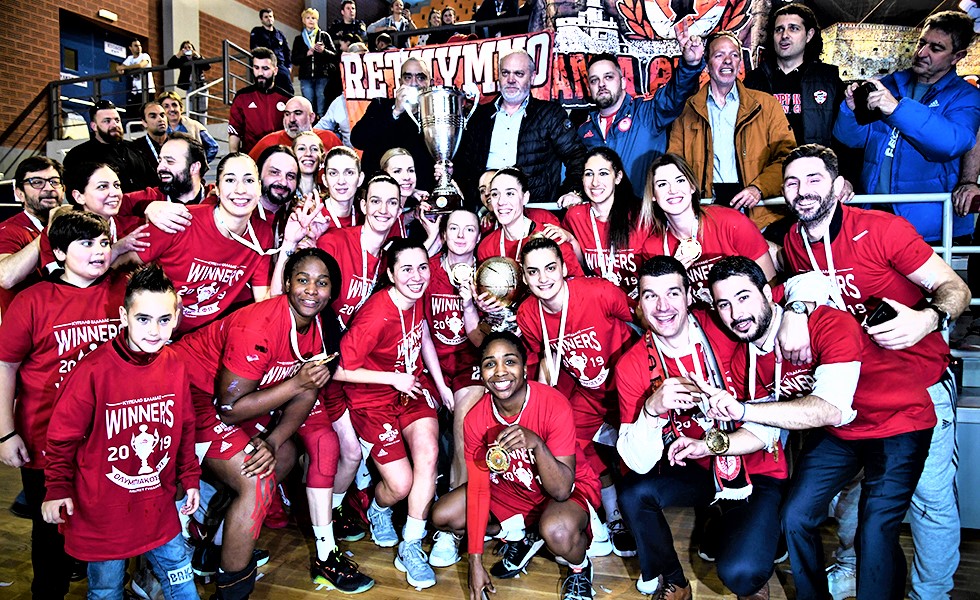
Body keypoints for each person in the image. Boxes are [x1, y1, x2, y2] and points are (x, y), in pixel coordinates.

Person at [779, 143, 970, 600]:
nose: (802, 190)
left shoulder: (883, 230)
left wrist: (927, 318)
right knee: (850, 497)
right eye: (792, 182)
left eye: (813, 179)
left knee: (929, 501)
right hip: (852, 394)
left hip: (919, 385)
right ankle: (852, 569)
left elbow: (955, 287)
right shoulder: (794, 241)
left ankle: (931, 594)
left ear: (837, 185)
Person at [705, 255, 939, 600]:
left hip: (898, 421)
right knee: (795, 516)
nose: (736, 313)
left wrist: (744, 409)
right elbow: (763, 427)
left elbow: (831, 409)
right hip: (842, 435)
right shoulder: (746, 360)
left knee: (874, 528)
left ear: (768, 294)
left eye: (743, 297)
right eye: (724, 304)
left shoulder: (828, 323)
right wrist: (711, 444)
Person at [615, 256, 784, 600]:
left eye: (673, 293)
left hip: (756, 466)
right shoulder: (631, 363)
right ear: (639, 304)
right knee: (634, 492)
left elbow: (778, 296)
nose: (663, 307)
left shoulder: (727, 324)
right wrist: (652, 409)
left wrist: (797, 309)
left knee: (742, 574)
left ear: (690, 295)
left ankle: (750, 537)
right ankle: (674, 580)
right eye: (650, 296)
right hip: (700, 468)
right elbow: (637, 462)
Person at [40, 263, 200, 599]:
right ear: (124, 317)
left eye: (164, 319)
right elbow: (61, 438)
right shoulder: (93, 371)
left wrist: (190, 477)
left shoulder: (175, 363)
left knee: (182, 581)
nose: (154, 330)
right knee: (106, 590)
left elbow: (185, 425)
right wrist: (56, 487)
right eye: (143, 319)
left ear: (176, 317)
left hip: (157, 505)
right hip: (103, 512)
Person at [0, 211, 128, 599]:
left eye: (104, 243)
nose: (99, 251)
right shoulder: (33, 299)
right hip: (46, 437)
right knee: (50, 533)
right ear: (58, 251)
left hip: (109, 438)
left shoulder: (125, 290)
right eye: (85, 243)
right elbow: (5, 366)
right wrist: (5, 432)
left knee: (107, 526)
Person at [429, 331, 602, 600]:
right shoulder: (475, 419)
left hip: (563, 490)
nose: (500, 372)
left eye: (510, 361)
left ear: (524, 368)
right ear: (481, 372)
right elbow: (478, 490)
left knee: (557, 531)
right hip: (512, 490)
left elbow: (561, 490)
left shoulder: (553, 403)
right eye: (490, 364)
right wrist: (475, 562)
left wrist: (537, 445)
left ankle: (579, 569)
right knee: (443, 515)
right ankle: (519, 535)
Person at [333, 239, 453, 589]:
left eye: (422, 267)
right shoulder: (376, 315)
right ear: (390, 274)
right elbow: (337, 369)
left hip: (410, 390)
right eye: (407, 269)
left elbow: (423, 333)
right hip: (373, 399)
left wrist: (441, 385)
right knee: (400, 485)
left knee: (429, 453)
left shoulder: (417, 297)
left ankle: (411, 544)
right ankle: (379, 508)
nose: (417, 277)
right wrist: (391, 378)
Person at [516, 236, 637, 559]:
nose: (543, 278)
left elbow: (641, 321)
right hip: (588, 392)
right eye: (533, 272)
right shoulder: (528, 313)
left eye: (550, 268)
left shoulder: (598, 291)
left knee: (632, 453)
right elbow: (544, 360)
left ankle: (635, 517)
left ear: (564, 268)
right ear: (524, 276)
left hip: (627, 389)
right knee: (567, 444)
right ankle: (610, 513)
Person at [833, 10, 980, 246]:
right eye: (922, 43)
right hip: (874, 215)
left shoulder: (966, 96)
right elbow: (852, 139)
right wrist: (850, 111)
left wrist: (897, 109)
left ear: (957, 56)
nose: (922, 53)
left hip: (928, 227)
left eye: (936, 48)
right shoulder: (891, 83)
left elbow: (950, 145)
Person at [667, 31, 796, 233]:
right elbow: (675, 164)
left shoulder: (767, 105)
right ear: (707, 64)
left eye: (734, 55)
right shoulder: (686, 110)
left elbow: (787, 158)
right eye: (719, 55)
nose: (728, 61)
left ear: (740, 63)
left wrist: (759, 188)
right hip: (705, 214)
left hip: (759, 216)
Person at [131, 153, 273, 334]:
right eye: (230, 180)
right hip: (155, 333)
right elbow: (119, 264)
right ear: (217, 189)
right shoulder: (180, 219)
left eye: (249, 180)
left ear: (259, 188)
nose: (240, 189)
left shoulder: (262, 234)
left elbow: (264, 301)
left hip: (203, 338)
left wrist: (290, 243)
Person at [640, 153, 776, 304]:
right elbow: (658, 308)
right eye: (662, 184)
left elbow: (771, 285)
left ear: (692, 186)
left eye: (680, 180)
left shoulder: (732, 222)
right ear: (653, 195)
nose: (673, 190)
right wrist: (672, 276)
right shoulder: (653, 248)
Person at [456, 50, 587, 207]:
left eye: (519, 74)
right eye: (505, 73)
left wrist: (573, 191)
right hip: (486, 211)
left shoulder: (550, 114)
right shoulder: (480, 116)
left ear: (532, 77)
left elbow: (577, 156)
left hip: (534, 209)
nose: (511, 80)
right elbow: (464, 165)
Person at [578, 36, 704, 198]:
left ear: (623, 82)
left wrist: (690, 65)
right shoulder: (585, 131)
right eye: (594, 80)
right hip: (602, 211)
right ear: (589, 88)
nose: (601, 84)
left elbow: (675, 94)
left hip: (645, 210)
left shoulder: (648, 112)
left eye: (608, 77)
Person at [421, 209, 487, 504]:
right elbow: (421, 329)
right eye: (454, 229)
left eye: (469, 229)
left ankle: (456, 502)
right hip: (431, 363)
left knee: (464, 423)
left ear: (479, 235)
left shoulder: (489, 275)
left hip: (469, 364)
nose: (461, 236)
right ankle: (422, 498)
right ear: (443, 235)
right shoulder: (427, 271)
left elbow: (486, 340)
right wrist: (440, 386)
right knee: (421, 426)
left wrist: (471, 304)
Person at [744, 3, 841, 148]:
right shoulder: (754, 81)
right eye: (779, 29)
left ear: (809, 35)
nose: (784, 35)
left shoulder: (828, 80)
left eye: (793, 28)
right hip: (766, 162)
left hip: (811, 161)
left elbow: (845, 135)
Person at [562, 147, 648, 299]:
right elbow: (579, 265)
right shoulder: (575, 216)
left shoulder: (641, 215)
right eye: (589, 174)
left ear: (618, 177)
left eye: (603, 173)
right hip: (597, 303)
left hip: (639, 304)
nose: (595, 182)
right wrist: (570, 239)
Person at [35, 163, 148, 272]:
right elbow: (62, 279)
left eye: (117, 185)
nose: (115, 193)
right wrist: (117, 249)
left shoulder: (137, 227)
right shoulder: (57, 232)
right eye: (102, 186)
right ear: (79, 196)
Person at [476, 168, 584, 277]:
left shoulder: (550, 236)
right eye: (495, 194)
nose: (501, 202)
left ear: (525, 197)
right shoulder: (486, 247)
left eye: (510, 193)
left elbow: (577, 282)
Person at [350, 57, 436, 191]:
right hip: (383, 193)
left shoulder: (439, 114)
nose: (414, 83)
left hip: (423, 195)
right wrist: (395, 112)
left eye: (421, 77)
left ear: (430, 82)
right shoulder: (380, 106)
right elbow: (358, 140)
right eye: (408, 77)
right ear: (400, 82)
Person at [0, 156, 65, 315]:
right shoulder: (8, 230)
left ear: (64, 189)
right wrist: (49, 230)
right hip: (27, 325)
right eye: (37, 182)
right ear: (19, 193)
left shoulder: (73, 225)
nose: (48, 188)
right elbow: (6, 277)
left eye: (54, 181)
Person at [64, 100, 157, 193]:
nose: (114, 124)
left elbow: (154, 182)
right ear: (94, 126)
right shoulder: (78, 156)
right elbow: (74, 192)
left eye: (117, 120)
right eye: (107, 121)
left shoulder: (135, 149)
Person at [228, 47, 291, 154]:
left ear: (275, 71)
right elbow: (235, 131)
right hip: (251, 157)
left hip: (280, 156)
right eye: (256, 68)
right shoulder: (242, 97)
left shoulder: (287, 99)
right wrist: (234, 157)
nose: (260, 73)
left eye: (265, 68)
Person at [249, 96, 342, 162]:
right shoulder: (268, 143)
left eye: (297, 113)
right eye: (287, 114)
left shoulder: (329, 139)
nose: (291, 119)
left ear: (311, 117)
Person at [292, 8, 338, 117]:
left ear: (317, 20)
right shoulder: (299, 39)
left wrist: (323, 51)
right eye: (308, 18)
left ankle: (321, 122)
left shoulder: (324, 36)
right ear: (303, 20)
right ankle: (309, 124)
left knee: (321, 103)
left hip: (322, 75)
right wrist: (306, 54)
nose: (311, 20)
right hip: (306, 76)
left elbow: (334, 55)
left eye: (313, 18)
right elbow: (294, 59)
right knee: (308, 104)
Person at [157, 91, 218, 161]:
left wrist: (201, 163)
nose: (171, 109)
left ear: (181, 108)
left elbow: (213, 146)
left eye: (174, 105)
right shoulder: (159, 129)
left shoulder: (194, 126)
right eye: (166, 106)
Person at [250, 8, 294, 94]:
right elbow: (254, 48)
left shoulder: (280, 34)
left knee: (288, 91)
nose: (269, 19)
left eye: (270, 16)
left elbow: (287, 52)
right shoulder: (257, 32)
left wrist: (289, 67)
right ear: (261, 20)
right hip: (265, 65)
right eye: (266, 17)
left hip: (280, 66)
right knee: (267, 90)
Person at [166, 40, 211, 120]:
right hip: (189, 86)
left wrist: (198, 56)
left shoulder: (197, 58)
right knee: (190, 108)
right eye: (185, 48)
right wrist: (178, 55)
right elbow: (170, 64)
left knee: (202, 107)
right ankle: (193, 124)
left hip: (201, 85)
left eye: (189, 47)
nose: (187, 49)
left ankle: (202, 124)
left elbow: (207, 66)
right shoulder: (182, 60)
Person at [116, 39, 155, 123]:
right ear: (130, 48)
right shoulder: (130, 58)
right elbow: (119, 67)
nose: (139, 48)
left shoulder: (145, 56)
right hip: (135, 91)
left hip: (147, 90)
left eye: (140, 45)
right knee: (133, 114)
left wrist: (125, 68)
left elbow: (141, 65)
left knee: (146, 112)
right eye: (136, 46)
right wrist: (120, 69)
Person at [134, 100, 169, 170]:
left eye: (162, 115)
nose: (160, 119)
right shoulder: (135, 148)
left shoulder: (178, 143)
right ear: (144, 123)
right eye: (153, 116)